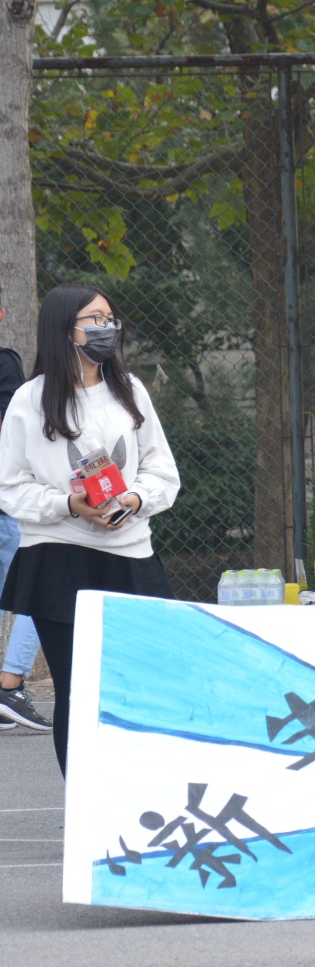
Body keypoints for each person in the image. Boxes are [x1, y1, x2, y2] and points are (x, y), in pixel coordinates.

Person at [0, 284, 180, 774]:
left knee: (139, 687)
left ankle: (136, 798)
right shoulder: (30, 399)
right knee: (77, 691)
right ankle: (83, 805)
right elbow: (10, 487)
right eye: (93, 320)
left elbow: (162, 471)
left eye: (109, 318)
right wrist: (69, 505)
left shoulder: (131, 390)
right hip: (58, 559)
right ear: (64, 329)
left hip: (131, 555)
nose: (107, 329)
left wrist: (135, 499)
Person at [0, 289, 50, 732]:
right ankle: (9, 685)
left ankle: (9, 685)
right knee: (38, 586)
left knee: (33, 588)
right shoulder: (6, 365)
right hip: (9, 502)